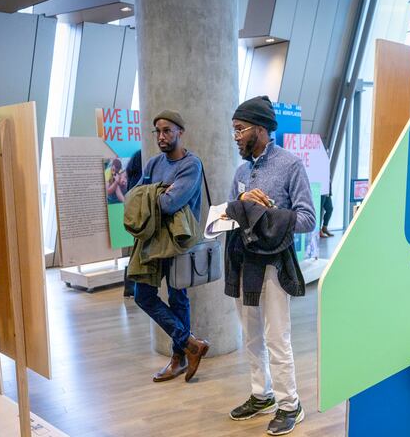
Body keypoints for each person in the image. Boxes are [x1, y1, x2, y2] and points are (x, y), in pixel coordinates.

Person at [226, 96, 315, 436]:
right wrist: (240, 203)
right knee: (251, 337)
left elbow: (308, 218)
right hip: (242, 263)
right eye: (233, 130)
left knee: (277, 338)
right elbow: (228, 216)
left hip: (275, 265)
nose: (235, 136)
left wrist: (267, 212)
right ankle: (260, 395)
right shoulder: (241, 172)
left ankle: (290, 404)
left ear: (260, 129)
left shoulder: (291, 165)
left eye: (239, 129)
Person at [131, 110, 210, 383]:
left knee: (179, 298)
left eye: (167, 130)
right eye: (158, 132)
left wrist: (153, 194)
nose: (162, 136)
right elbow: (135, 198)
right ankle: (190, 343)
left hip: (179, 243)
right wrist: (157, 191)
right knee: (143, 295)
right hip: (153, 240)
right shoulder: (153, 164)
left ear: (180, 132)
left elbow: (169, 203)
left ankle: (178, 359)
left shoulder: (191, 165)